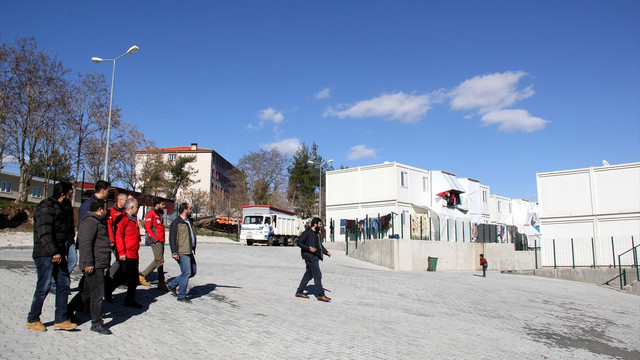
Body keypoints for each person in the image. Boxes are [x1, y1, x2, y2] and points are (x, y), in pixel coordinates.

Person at [26, 182, 77, 332]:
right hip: (45, 254)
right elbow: (44, 232)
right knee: (44, 286)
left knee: (63, 284)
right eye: (70, 192)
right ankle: (33, 318)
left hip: (58, 253)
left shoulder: (61, 207)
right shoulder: (46, 207)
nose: (71, 195)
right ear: (64, 193)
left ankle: (61, 319)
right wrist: (53, 251)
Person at [75, 199, 112, 335]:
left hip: (98, 261)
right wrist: (88, 263)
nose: (107, 210)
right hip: (94, 263)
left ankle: (67, 311)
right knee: (98, 293)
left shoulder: (97, 221)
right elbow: (85, 243)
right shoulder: (90, 221)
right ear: (101, 209)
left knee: (86, 291)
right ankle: (96, 323)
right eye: (106, 208)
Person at [113, 198, 143, 308]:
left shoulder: (134, 219)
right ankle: (107, 291)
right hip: (126, 254)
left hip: (134, 253)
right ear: (131, 208)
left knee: (133, 279)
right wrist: (121, 252)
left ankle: (130, 299)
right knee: (120, 276)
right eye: (136, 207)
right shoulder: (123, 219)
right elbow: (118, 236)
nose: (137, 209)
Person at [295, 217, 331, 302]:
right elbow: (299, 242)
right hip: (309, 256)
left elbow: (319, 245)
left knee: (308, 275)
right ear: (315, 224)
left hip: (316, 256)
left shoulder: (317, 233)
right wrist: (308, 248)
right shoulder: (307, 233)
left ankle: (299, 291)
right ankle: (320, 295)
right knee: (318, 275)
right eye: (320, 224)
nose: (321, 226)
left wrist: (326, 252)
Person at [167, 202, 197, 303]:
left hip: (189, 250)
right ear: (185, 210)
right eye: (189, 209)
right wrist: (174, 252)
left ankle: (172, 284)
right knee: (186, 273)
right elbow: (172, 238)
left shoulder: (189, 221)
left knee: (192, 271)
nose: (191, 211)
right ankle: (181, 295)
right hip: (182, 251)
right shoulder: (176, 223)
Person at [139, 197, 168, 291]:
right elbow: (148, 228)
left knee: (159, 260)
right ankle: (143, 275)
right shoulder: (150, 213)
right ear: (157, 204)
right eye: (162, 204)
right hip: (156, 241)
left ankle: (161, 282)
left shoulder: (159, 214)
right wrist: (154, 239)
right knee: (159, 260)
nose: (164, 206)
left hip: (161, 240)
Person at [104, 193, 127, 301]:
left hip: (122, 241)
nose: (126, 202)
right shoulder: (111, 211)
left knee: (122, 263)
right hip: (114, 241)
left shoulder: (124, 212)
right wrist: (111, 240)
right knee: (119, 261)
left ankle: (114, 281)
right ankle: (108, 277)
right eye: (125, 200)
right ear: (120, 201)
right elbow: (109, 226)